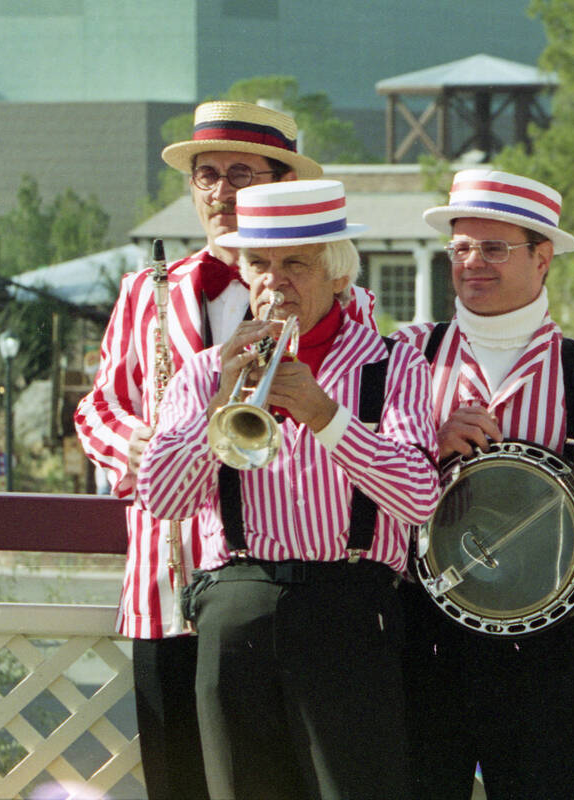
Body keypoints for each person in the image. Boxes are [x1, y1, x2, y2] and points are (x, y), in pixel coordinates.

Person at [74, 100, 382, 800]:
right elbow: (97, 408)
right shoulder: (146, 291)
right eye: (205, 175)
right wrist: (136, 448)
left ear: (280, 183)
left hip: (272, 586)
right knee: (177, 782)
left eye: (240, 173)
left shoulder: (331, 289)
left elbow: (368, 399)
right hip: (165, 577)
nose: (219, 191)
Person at [136, 178, 438, 799]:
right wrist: (219, 405)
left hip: (350, 608)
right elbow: (162, 498)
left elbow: (418, 497)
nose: (275, 282)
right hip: (236, 605)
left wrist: (325, 416)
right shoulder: (205, 370)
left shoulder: (395, 363)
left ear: (338, 273)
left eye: (295, 264)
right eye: (259, 264)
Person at [393, 169, 574, 799]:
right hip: (421, 636)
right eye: (461, 247)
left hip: (539, 653)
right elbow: (358, 490)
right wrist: (428, 448)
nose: (472, 263)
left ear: (543, 258)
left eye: (494, 248)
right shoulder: (406, 355)